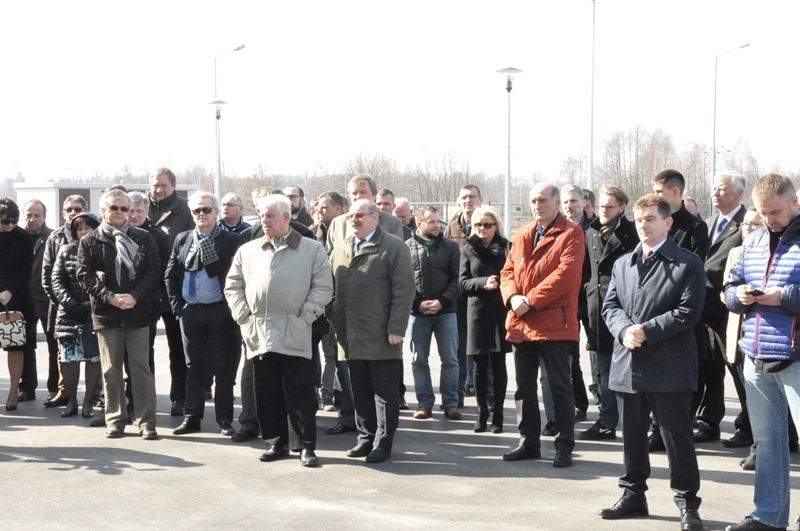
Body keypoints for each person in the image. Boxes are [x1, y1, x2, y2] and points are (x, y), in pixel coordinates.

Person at [598, 193, 705, 531]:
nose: (642, 225)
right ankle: (633, 495)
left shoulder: (687, 263)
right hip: (628, 363)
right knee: (632, 437)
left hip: (670, 366)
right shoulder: (623, 263)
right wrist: (624, 330)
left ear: (668, 223)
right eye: (639, 220)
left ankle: (687, 503)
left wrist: (646, 330)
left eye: (650, 219)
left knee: (676, 439)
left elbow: (688, 311)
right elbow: (610, 306)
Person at [225, 193, 332, 467]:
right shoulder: (248, 250)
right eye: (262, 215)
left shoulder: (311, 249)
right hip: (259, 331)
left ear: (286, 217)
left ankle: (305, 446)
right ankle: (276, 443)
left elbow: (323, 287)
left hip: (295, 329)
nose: (264, 220)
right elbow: (233, 285)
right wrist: (243, 316)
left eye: (270, 215)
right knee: (266, 391)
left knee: (300, 392)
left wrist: (305, 316)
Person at [723, 174, 800, 531]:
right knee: (767, 443)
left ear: (794, 202)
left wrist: (784, 297)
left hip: (796, 356)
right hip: (755, 356)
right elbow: (729, 286)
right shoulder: (752, 240)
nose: (768, 219)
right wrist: (738, 296)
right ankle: (768, 517)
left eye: (776, 212)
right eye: (762, 212)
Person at [499, 182, 584, 468]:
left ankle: (563, 446)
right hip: (522, 322)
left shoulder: (572, 233)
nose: (537, 205)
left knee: (560, 387)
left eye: (543, 200)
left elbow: (565, 276)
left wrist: (530, 300)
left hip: (554, 324)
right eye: (533, 200)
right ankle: (528, 442)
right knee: (524, 389)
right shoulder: (523, 233)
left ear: (557, 203)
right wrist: (513, 297)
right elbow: (507, 271)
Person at [327, 199, 415, 463]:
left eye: (359, 215)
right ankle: (365, 438)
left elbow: (404, 290)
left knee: (384, 393)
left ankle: (382, 443)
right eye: (350, 216)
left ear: (375, 218)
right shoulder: (341, 249)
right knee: (360, 391)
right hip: (349, 334)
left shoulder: (394, 247)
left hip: (381, 334)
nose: (353, 220)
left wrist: (396, 327)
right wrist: (333, 314)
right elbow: (330, 287)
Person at [77, 189, 161, 440]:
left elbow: (154, 270)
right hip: (107, 314)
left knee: (140, 369)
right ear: (103, 209)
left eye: (125, 208)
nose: (121, 212)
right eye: (115, 208)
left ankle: (146, 422)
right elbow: (84, 275)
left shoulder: (143, 237)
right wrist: (110, 297)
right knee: (111, 369)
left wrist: (134, 296)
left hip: (138, 312)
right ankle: (115, 420)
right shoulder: (90, 240)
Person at [166, 192, 241, 437]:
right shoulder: (183, 239)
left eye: (206, 210)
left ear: (216, 212)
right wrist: (178, 307)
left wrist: (231, 309)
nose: (202, 214)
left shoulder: (230, 240)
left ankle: (225, 420)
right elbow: (170, 274)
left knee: (223, 369)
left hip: (220, 312)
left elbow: (230, 275)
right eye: (197, 210)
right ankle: (191, 418)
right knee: (193, 368)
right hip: (190, 312)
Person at [648, 169, 708, 452]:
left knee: (681, 376)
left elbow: (694, 270)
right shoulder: (653, 223)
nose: (655, 196)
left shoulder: (695, 227)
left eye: (659, 192)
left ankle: (676, 429)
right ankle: (656, 428)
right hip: (653, 310)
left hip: (681, 311)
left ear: (675, 192)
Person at [579, 186, 638, 441]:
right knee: (602, 369)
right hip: (596, 309)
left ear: (622, 208)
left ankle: (632, 422)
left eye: (609, 206)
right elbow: (585, 270)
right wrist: (586, 295)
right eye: (601, 206)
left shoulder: (631, 232)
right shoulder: (590, 231)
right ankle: (606, 421)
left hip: (623, 309)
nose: (603, 210)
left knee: (627, 371)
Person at [696, 172, 748, 446]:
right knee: (710, 370)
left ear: (739, 193)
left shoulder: (747, 224)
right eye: (713, 189)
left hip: (731, 312)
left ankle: (747, 427)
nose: (715, 194)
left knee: (739, 371)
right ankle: (709, 423)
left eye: (722, 189)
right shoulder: (708, 223)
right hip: (705, 309)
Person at [407, 205, 462, 420]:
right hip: (417, 315)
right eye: (431, 222)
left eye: (438, 221)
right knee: (419, 360)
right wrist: (417, 304)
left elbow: (457, 280)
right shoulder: (406, 248)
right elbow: (402, 282)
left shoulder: (451, 247)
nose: (436, 225)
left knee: (450, 360)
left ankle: (450, 403)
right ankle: (424, 403)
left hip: (446, 312)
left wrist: (442, 302)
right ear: (419, 223)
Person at [458, 205, 510, 433]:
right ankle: (481, 414)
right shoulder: (468, 249)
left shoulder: (507, 247)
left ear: (496, 226)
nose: (482, 228)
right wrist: (482, 283)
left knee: (498, 364)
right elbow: (462, 282)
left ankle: (498, 415)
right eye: (478, 224)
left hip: (500, 310)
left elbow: (514, 275)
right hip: (477, 312)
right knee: (479, 366)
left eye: (487, 224)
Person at [148, 167, 194, 417]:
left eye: (164, 185)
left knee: (178, 347)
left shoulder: (185, 209)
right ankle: (145, 398)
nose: (159, 189)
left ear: (174, 185)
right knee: (143, 348)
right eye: (155, 185)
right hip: (144, 288)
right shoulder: (140, 206)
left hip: (174, 286)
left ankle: (180, 397)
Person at [721, 208, 762, 472]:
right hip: (738, 329)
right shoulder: (736, 253)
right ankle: (747, 432)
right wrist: (739, 296)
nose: (748, 229)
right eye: (745, 225)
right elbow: (725, 291)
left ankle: (762, 445)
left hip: (764, 332)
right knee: (745, 389)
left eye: (754, 224)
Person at [51, 212, 103, 419]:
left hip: (94, 314)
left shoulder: (103, 250)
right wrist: (71, 304)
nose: (83, 232)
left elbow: (107, 281)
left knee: (93, 359)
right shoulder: (66, 250)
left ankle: (89, 401)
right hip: (68, 314)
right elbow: (56, 281)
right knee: (68, 361)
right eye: (79, 229)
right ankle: (71, 400)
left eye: (87, 228)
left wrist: (90, 305)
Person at [41, 194, 89, 407]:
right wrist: (65, 302)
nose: (73, 212)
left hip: (91, 307)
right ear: (63, 213)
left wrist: (88, 305)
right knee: (63, 353)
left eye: (77, 209)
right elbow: (48, 276)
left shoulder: (95, 235)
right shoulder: (55, 237)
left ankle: (94, 394)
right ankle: (65, 393)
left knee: (93, 353)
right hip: (63, 306)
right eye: (69, 209)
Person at [444, 184, 484, 406]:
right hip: (458, 297)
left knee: (482, 346)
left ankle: (484, 393)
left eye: (472, 197)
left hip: (481, 295)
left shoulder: (488, 223)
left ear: (480, 199)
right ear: (458, 201)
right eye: (464, 197)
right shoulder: (451, 228)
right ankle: (459, 392)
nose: (468, 201)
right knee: (459, 347)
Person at [0, 198, 36, 411]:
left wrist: (9, 291)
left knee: (16, 345)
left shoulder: (23, 238)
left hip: (17, 298)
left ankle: (14, 390)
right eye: (6, 221)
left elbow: (25, 271)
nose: (11, 225)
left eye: (14, 220)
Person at [21, 199, 57, 404]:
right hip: (23, 300)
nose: (33, 219)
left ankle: (55, 388)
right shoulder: (17, 237)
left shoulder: (54, 237)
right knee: (25, 345)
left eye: (37, 215)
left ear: (44, 217)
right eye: (29, 215)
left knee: (54, 346)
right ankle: (27, 388)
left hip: (49, 300)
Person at [326, 174, 405, 253]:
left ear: (374, 195)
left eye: (363, 192)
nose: (358, 196)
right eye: (354, 193)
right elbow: (329, 255)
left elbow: (397, 253)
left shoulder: (392, 222)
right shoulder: (337, 223)